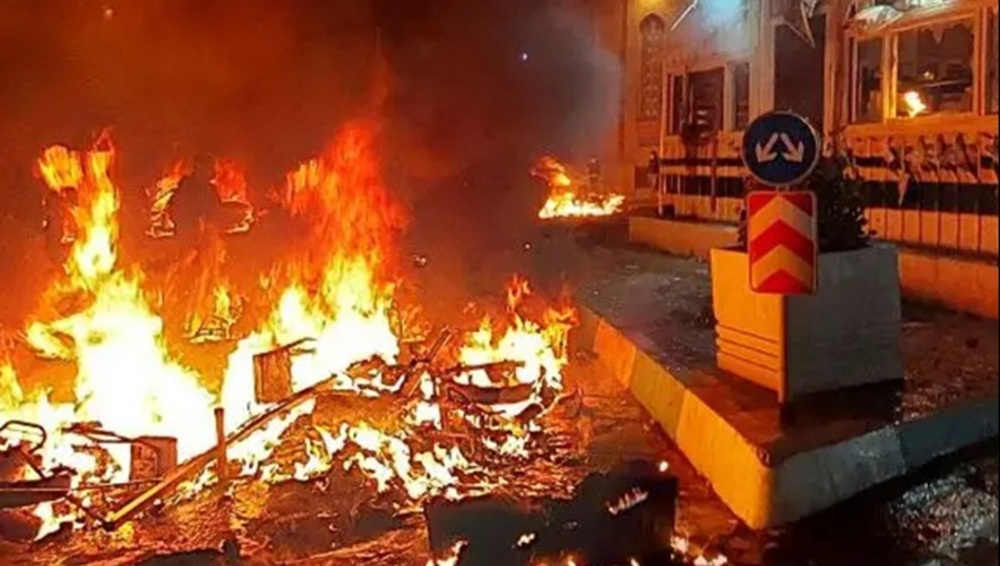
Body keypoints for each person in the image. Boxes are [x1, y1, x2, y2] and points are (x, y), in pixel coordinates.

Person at [170, 154, 221, 241]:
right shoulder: (186, 187)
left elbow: (216, 211)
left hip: (206, 236)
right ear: (199, 168)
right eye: (209, 167)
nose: (212, 171)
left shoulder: (211, 189)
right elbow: (176, 210)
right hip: (188, 235)